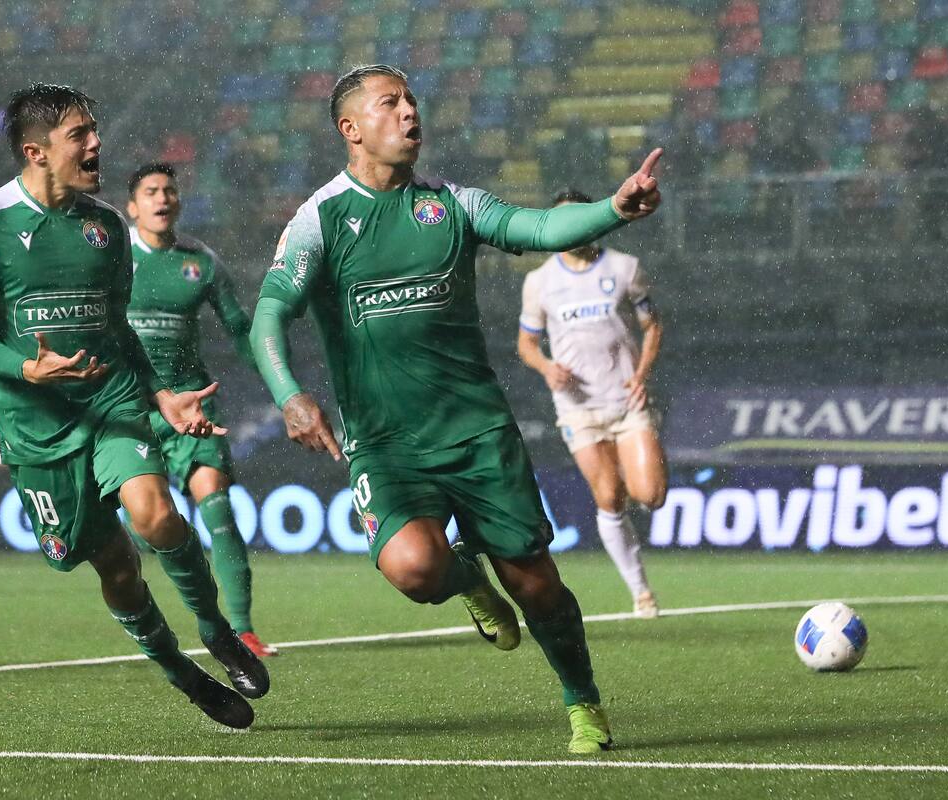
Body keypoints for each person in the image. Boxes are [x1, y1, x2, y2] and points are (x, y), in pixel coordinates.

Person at [251, 65, 662, 754]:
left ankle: (582, 701)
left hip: (477, 433)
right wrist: (290, 395)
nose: (410, 113)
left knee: (539, 589)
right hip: (385, 443)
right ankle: (466, 577)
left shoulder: (454, 204)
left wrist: (613, 210)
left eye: (412, 101)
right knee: (414, 568)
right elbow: (269, 314)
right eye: (390, 104)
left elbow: (537, 226)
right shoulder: (320, 219)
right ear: (351, 129)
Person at [0, 83, 267, 729]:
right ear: (35, 151)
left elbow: (119, 330)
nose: (96, 144)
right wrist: (26, 367)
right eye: (79, 135)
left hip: (112, 402)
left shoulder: (107, 224)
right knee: (111, 566)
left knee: (157, 516)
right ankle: (184, 675)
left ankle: (217, 629)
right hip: (35, 426)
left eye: (95, 130)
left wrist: (161, 394)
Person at [125, 163, 277, 658]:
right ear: (133, 206)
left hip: (192, 405)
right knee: (147, 524)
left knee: (217, 504)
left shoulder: (200, 262)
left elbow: (239, 327)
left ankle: (242, 629)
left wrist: (282, 388)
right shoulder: (112, 256)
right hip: (132, 408)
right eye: (151, 192)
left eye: (169, 190)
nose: (162, 198)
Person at [517, 190, 668, 619]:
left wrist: (642, 374)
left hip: (625, 401)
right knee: (608, 495)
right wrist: (547, 368)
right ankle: (641, 593)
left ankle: (643, 467)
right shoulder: (540, 281)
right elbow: (526, 344)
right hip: (577, 408)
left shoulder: (624, 268)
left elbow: (653, 326)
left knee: (651, 495)